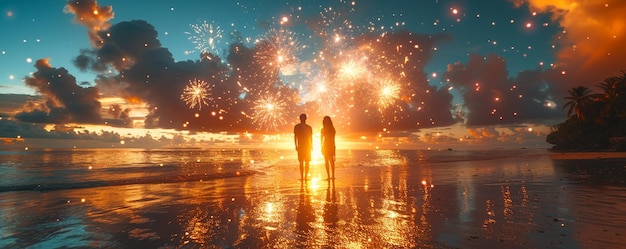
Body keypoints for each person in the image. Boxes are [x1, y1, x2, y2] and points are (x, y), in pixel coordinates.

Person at [294, 113, 312, 181]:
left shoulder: (297, 127)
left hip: (301, 146)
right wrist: (311, 145)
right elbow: (310, 138)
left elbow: (295, 137)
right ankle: (305, 177)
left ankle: (302, 177)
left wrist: (296, 145)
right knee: (307, 161)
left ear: (300, 118)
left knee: (301, 162)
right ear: (306, 118)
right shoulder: (309, 127)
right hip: (307, 146)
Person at [320, 116, 336, 180]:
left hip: (329, 145)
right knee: (328, 161)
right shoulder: (325, 129)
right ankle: (330, 176)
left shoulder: (332, 129)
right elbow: (321, 139)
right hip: (327, 145)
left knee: (330, 161)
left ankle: (331, 176)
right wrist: (321, 147)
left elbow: (333, 139)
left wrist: (334, 147)